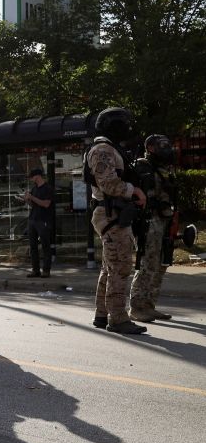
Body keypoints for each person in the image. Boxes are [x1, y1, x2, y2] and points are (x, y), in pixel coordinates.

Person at [85, 107, 150, 334]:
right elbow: (109, 183)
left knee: (110, 265)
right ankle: (118, 318)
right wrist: (135, 191)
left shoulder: (109, 148)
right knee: (120, 266)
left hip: (112, 212)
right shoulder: (103, 149)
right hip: (110, 213)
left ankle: (103, 314)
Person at [130, 135, 178, 321]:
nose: (166, 149)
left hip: (165, 220)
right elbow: (138, 195)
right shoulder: (142, 166)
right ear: (150, 147)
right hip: (148, 221)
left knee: (161, 264)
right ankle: (136, 307)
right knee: (147, 264)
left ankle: (149, 305)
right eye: (161, 146)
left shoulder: (166, 168)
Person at [22, 168, 55, 278]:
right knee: (33, 246)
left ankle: (46, 270)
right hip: (33, 219)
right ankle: (35, 270)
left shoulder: (48, 188)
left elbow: (46, 204)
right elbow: (34, 205)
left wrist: (32, 197)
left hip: (43, 220)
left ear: (38, 176)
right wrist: (27, 200)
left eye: (32, 176)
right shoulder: (34, 189)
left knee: (45, 246)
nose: (31, 179)